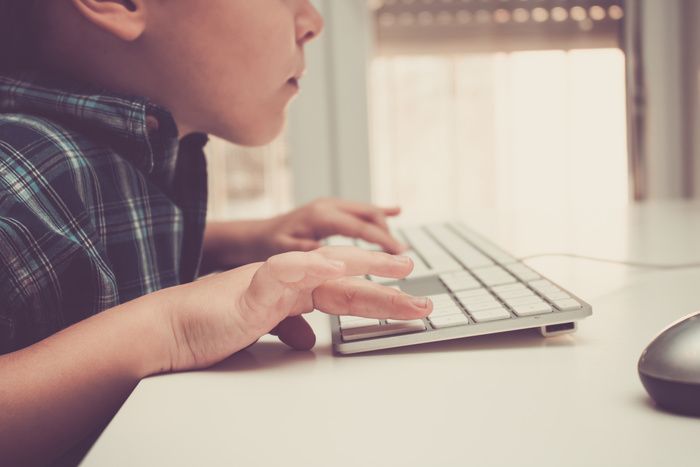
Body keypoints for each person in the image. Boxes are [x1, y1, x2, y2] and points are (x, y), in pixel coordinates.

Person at [0, 1, 433, 464]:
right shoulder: (17, 170)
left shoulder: (105, 157)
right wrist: (173, 327)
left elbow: (81, 245)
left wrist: (240, 240)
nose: (313, 22)